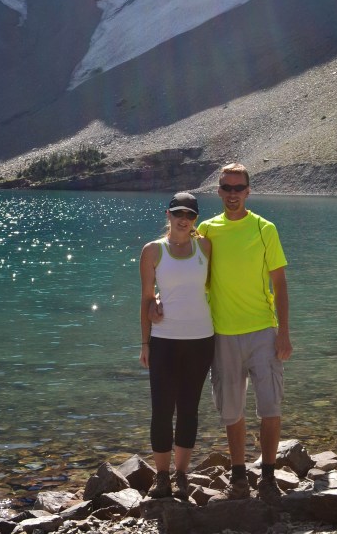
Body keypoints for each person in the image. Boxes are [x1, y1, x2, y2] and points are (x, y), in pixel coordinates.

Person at [197, 163, 292, 505]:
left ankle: (267, 476)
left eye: (239, 188)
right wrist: (158, 299)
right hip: (222, 333)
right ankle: (239, 477)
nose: (233, 194)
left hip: (262, 332)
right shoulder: (206, 231)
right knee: (231, 410)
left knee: (270, 407)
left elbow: (280, 284)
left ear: (248, 191)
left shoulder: (264, 228)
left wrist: (283, 333)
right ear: (219, 191)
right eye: (227, 188)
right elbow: (188, 272)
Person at [139, 191, 214, 500]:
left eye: (190, 215)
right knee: (161, 410)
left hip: (201, 339)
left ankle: (181, 475)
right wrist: (145, 342)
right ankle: (162, 477)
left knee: (188, 409)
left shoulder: (206, 247)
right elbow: (145, 298)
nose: (184, 219)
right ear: (167, 214)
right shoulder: (153, 251)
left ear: (195, 219)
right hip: (164, 341)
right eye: (178, 213)